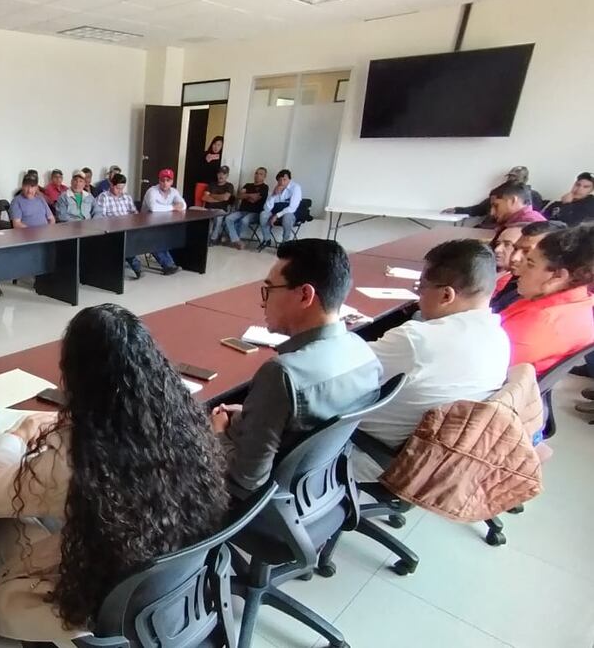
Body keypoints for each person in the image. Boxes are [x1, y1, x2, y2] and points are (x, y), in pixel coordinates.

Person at [0, 304, 229, 643]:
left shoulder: (77, 457)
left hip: (107, 602)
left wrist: (18, 435)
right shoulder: (183, 423)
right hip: (173, 575)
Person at [208, 239, 382, 497]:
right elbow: (309, 420)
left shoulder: (281, 373)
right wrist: (253, 413)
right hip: (312, 484)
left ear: (304, 295)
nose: (262, 303)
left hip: (247, 495)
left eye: (269, 290)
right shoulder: (365, 353)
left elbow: (246, 480)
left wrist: (218, 433)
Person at [351, 240, 510, 482]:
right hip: (430, 459)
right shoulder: (500, 337)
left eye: (421, 288)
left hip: (367, 451)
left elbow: (338, 368)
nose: (417, 298)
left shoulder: (417, 339)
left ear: (446, 294)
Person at [499, 225, 594, 375]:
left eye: (530, 264)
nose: (520, 270)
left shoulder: (542, 320)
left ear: (558, 277)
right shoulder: (581, 301)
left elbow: (479, 364)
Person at [491, 221, 566, 313]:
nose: (515, 258)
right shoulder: (516, 280)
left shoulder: (547, 309)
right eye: (516, 249)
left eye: (527, 252)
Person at [443, 165, 544, 223]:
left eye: (516, 177)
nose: (512, 179)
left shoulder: (528, 217)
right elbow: (479, 209)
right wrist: (457, 210)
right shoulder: (499, 193)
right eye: (510, 176)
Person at [94, 173, 143, 279]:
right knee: (124, 242)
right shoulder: (104, 197)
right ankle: (136, 267)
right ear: (111, 185)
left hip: (127, 227)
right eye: (117, 188)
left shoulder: (126, 197)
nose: (120, 191)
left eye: (122, 188)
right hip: (111, 230)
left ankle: (135, 265)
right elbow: (100, 217)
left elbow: (134, 213)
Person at [224, 167, 269, 249]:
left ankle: (234, 239)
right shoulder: (247, 185)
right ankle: (237, 240)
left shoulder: (264, 187)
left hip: (255, 213)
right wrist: (250, 195)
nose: (257, 175)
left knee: (244, 220)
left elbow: (254, 200)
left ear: (264, 176)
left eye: (260, 174)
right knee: (228, 218)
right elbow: (239, 196)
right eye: (256, 173)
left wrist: (246, 195)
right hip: (242, 210)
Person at [257, 169, 302, 250]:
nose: (282, 182)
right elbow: (266, 208)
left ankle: (285, 243)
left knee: (287, 217)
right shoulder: (276, 188)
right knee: (263, 214)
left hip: (290, 213)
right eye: (280, 180)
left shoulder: (295, 188)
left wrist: (276, 216)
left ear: (289, 179)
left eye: (284, 179)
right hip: (275, 211)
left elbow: (292, 208)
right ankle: (267, 239)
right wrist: (274, 194)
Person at [203, 166, 236, 245]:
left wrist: (212, 195)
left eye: (224, 174)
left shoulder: (229, 186)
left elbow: (226, 197)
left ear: (227, 175)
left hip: (221, 209)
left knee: (218, 218)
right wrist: (219, 197)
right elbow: (205, 197)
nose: (221, 175)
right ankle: (203, 239)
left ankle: (213, 239)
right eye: (219, 173)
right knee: (203, 219)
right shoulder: (212, 184)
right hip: (208, 209)